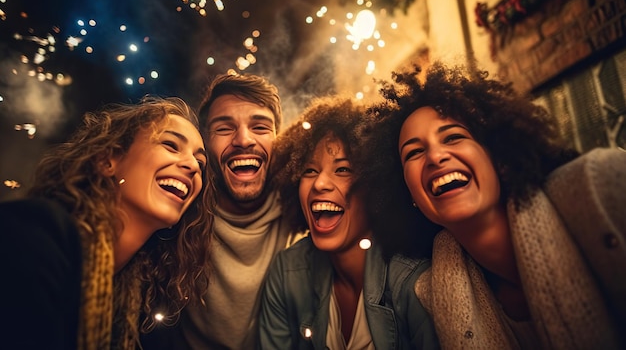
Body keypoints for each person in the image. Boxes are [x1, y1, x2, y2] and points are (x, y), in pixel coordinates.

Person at [367, 61, 626, 349]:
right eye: (414, 152)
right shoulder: (430, 294)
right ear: (410, 197)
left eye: (453, 137)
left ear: (499, 157)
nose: (435, 156)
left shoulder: (600, 186)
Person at [0, 96, 215, 350]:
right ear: (108, 160)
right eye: (170, 145)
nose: (192, 166)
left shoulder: (136, 295)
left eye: (200, 163)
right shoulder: (35, 236)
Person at [258, 96, 439, 349]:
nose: (319, 183)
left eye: (342, 169)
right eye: (309, 170)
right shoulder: (288, 273)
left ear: (376, 186)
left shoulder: (413, 281)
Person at [142, 73, 305, 349]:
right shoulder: (178, 215)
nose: (243, 139)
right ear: (205, 144)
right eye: (224, 128)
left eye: (260, 127)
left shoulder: (301, 205)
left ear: (279, 140)